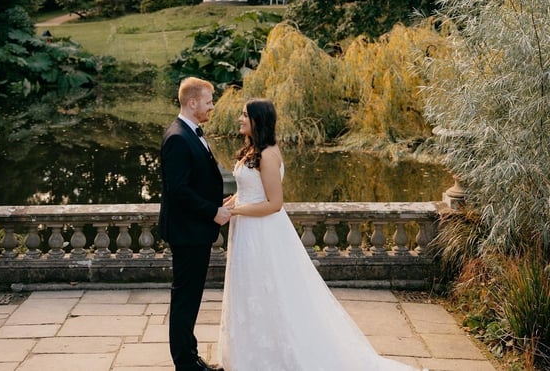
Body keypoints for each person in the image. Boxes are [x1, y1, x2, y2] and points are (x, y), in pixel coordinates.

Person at [218, 98, 422, 371]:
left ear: (258, 119)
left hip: (262, 232)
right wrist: (235, 200)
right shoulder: (252, 149)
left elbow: (274, 204)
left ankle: (277, 356)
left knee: (269, 289)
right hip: (246, 229)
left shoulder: (267, 155)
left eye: (244, 115)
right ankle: (250, 353)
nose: (240, 118)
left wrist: (238, 210)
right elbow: (251, 189)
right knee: (250, 289)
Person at [159, 77, 231, 371]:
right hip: (188, 231)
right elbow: (178, 190)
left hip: (193, 230)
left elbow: (197, 181)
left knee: (189, 297)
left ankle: (190, 356)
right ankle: (186, 363)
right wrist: (211, 212)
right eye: (209, 101)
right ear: (192, 103)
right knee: (186, 299)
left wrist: (221, 201)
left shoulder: (190, 133)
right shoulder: (178, 137)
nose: (212, 107)